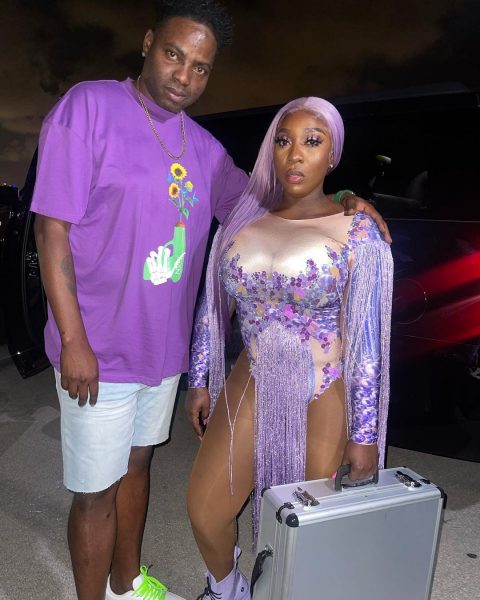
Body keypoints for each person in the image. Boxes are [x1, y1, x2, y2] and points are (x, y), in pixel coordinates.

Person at [31, 1, 389, 598]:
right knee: (94, 492)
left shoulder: (203, 149)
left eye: (200, 67)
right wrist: (72, 339)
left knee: (137, 467)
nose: (184, 75)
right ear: (148, 43)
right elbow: (51, 228)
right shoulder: (88, 108)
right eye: (174, 55)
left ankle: (127, 586)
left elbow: (273, 203)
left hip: (161, 353)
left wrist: (345, 197)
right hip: (97, 347)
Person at [186, 97, 393, 600]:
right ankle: (227, 588)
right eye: (283, 140)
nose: (295, 154)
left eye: (312, 141)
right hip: (252, 375)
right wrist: (200, 377)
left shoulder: (358, 230)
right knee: (205, 509)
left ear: (332, 155)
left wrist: (364, 435)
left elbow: (366, 341)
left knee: (307, 527)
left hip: (324, 388)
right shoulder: (240, 221)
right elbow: (212, 305)